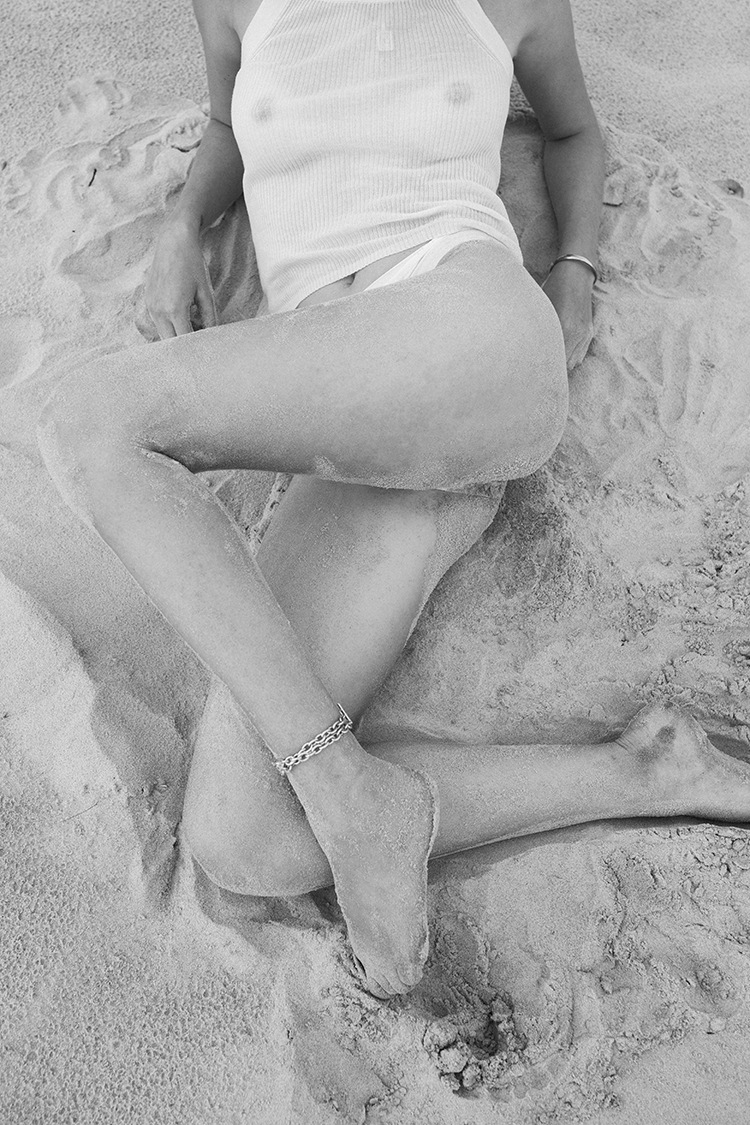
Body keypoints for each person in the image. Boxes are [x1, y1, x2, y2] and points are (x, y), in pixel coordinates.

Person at [35, 0, 739, 1003]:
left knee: (93, 421)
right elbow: (231, 123)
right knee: (243, 840)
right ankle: (645, 770)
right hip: (345, 425)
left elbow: (575, 130)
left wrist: (575, 270)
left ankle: (345, 791)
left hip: (465, 334)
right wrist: (187, 222)